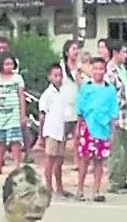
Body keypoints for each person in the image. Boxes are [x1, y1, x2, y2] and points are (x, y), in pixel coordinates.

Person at [75, 57, 119, 202]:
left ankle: (96, 190)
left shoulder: (110, 90)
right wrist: (78, 129)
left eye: (101, 69)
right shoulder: (86, 87)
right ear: (91, 70)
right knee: (85, 160)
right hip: (87, 128)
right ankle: (80, 189)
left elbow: (113, 113)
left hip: (104, 129)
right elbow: (80, 111)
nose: (98, 72)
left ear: (105, 71)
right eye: (95, 69)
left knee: (99, 161)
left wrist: (113, 132)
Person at [0, 52, 26, 175]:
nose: (9, 66)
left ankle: (17, 165)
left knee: (15, 139)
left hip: (14, 112)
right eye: (6, 64)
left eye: (11, 64)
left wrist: (22, 114)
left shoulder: (17, 78)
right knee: (0, 138)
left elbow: (21, 96)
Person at [105, 39, 127, 194]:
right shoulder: (110, 73)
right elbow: (111, 98)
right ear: (115, 53)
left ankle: (121, 177)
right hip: (116, 117)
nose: (126, 55)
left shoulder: (122, 70)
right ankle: (113, 182)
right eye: (123, 52)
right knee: (117, 151)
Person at [38, 63, 70, 198]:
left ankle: (59, 187)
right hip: (51, 130)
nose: (58, 79)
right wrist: (41, 135)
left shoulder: (64, 92)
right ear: (50, 77)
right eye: (55, 76)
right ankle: (48, 187)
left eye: (60, 76)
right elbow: (42, 116)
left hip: (61, 131)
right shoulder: (47, 95)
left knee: (60, 160)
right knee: (50, 159)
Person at [60, 39, 82, 168]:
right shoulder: (62, 67)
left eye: (77, 49)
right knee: (62, 135)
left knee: (77, 136)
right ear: (67, 52)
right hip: (64, 104)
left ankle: (77, 162)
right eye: (73, 49)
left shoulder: (79, 67)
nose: (76, 52)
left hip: (77, 104)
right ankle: (59, 159)